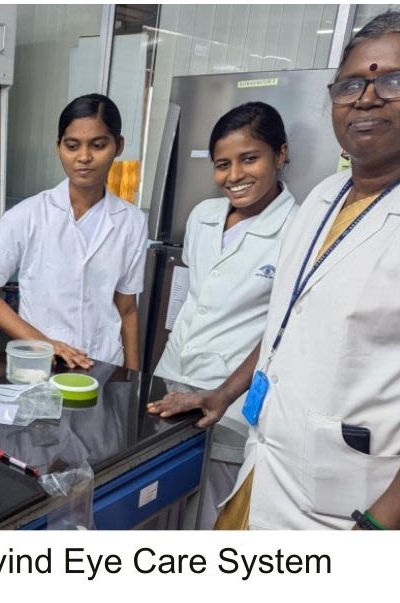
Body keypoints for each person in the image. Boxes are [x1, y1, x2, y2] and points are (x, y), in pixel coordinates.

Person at [148, 8, 400, 530]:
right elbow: (287, 325)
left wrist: (379, 528)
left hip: (357, 504)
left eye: (397, 80)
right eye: (350, 84)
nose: (367, 97)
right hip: (269, 466)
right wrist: (224, 393)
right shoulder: (324, 200)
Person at [152, 102, 297, 529]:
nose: (234, 176)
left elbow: (281, 333)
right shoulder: (203, 216)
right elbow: (195, 299)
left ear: (281, 154)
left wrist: (225, 393)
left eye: (249, 158)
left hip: (229, 398)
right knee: (162, 499)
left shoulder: (297, 228)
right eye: (222, 164)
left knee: (212, 512)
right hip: (173, 377)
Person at [0, 94, 147, 370]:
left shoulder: (132, 222)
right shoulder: (26, 216)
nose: (84, 157)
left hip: (102, 364)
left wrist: (132, 380)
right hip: (41, 365)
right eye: (72, 145)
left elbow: (127, 309)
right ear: (58, 148)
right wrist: (43, 343)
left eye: (98, 145)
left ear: (118, 146)